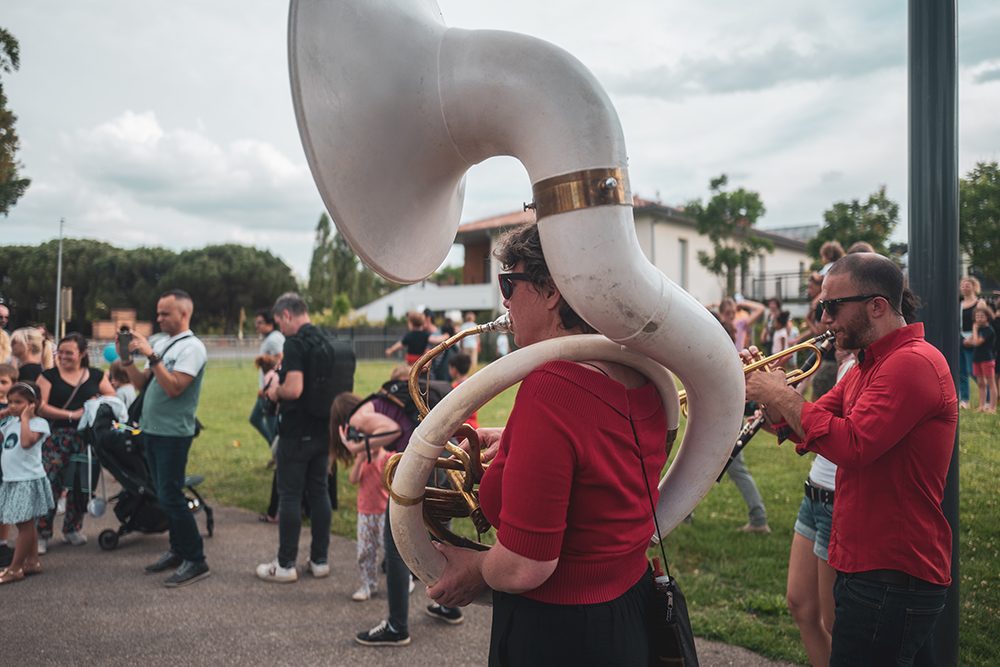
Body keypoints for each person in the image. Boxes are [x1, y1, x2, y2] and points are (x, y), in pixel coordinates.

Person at [427, 223, 667, 665]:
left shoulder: (552, 388)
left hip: (559, 633)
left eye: (509, 282)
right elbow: (601, 455)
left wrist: (476, 567)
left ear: (551, 289)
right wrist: (517, 441)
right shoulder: (642, 373)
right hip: (628, 613)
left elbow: (524, 566)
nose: (504, 299)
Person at [746, 253, 956, 665]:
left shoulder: (910, 364)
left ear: (876, 306)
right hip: (870, 566)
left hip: (892, 572)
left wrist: (781, 395)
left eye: (832, 306)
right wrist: (763, 392)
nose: (824, 319)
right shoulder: (866, 367)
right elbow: (807, 425)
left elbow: (853, 445)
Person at [123, 289, 210, 587]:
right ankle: (178, 550)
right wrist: (126, 360)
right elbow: (142, 386)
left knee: (171, 496)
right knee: (163, 495)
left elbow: (174, 388)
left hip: (173, 433)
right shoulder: (162, 343)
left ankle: (196, 560)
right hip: (152, 429)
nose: (158, 318)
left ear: (184, 314)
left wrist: (152, 355)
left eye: (165, 313)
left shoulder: (193, 348)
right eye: (158, 312)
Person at [255, 292, 332, 583]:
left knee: (289, 495)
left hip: (296, 431)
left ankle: (286, 564)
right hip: (324, 429)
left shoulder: (295, 343)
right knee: (319, 492)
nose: (280, 329)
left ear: (287, 315)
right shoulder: (326, 339)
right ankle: (320, 560)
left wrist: (274, 391)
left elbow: (294, 389)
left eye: (279, 322)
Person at [36, 333, 115, 551]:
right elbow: (39, 406)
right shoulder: (48, 376)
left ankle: (72, 528)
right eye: (60, 352)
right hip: (56, 438)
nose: (63, 356)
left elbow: (112, 398)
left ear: (82, 354)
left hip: (86, 439)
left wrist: (97, 402)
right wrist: (72, 415)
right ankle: (41, 533)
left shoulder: (96, 376)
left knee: (82, 484)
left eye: (69, 353)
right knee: (51, 484)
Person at [331, 392, 389, 602]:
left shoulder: (386, 458)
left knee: (390, 551)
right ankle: (367, 584)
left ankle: (404, 580)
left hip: (383, 512)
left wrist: (379, 456)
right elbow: (353, 480)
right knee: (365, 552)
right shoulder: (362, 459)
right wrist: (360, 460)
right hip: (365, 513)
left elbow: (388, 482)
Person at [0, 382, 54, 584]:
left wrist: (25, 418)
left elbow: (26, 442)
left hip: (27, 479)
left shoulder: (39, 424)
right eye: (10, 402)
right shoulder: (9, 423)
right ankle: (32, 561)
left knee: (23, 525)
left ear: (32, 404)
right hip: (12, 479)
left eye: (18, 402)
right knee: (26, 523)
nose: (12, 406)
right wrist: (5, 414)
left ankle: (15, 568)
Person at [249, 308, 284, 448]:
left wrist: (266, 360)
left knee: (271, 424)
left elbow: (281, 359)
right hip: (264, 388)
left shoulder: (274, 338)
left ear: (270, 322)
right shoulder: (269, 338)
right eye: (256, 323)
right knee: (255, 418)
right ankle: (275, 449)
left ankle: (278, 453)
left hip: (270, 389)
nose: (257, 326)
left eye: (260, 322)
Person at [959, 276, 987, 409]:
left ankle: (988, 398)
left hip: (974, 339)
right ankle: (964, 400)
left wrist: (972, 339)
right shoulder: (959, 304)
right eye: (963, 285)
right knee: (961, 371)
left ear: (974, 286)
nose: (965, 287)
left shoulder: (980, 302)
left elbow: (982, 322)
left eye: (967, 284)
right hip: (960, 339)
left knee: (974, 371)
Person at [967, 305, 997, 413]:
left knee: (990, 383)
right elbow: (969, 341)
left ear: (987, 317)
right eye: (977, 316)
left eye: (981, 316)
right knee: (980, 383)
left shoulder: (988, 330)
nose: (979, 318)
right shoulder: (979, 329)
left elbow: (976, 342)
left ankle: (992, 407)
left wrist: (974, 329)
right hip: (977, 358)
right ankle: (982, 405)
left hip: (987, 359)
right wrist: (972, 338)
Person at [449, 352, 478, 429]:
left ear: (454, 369)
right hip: (474, 426)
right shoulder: (474, 384)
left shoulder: (453, 388)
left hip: (459, 427)